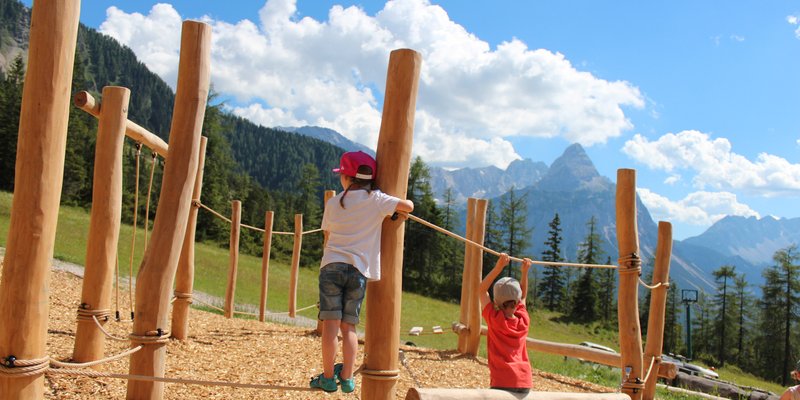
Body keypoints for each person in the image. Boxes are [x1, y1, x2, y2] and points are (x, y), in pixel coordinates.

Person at [309, 151, 414, 393]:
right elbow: (408, 206)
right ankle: (346, 377)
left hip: (331, 266)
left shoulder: (333, 202)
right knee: (349, 327)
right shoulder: (377, 200)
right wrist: (395, 208)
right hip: (358, 271)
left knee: (330, 326)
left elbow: (327, 233)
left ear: (347, 178)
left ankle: (327, 377)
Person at [479, 253, 533, 394]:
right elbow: (524, 296)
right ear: (517, 300)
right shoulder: (523, 320)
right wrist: (524, 272)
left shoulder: (494, 319)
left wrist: (498, 267)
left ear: (496, 301)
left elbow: (481, 290)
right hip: (524, 380)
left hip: (502, 380)